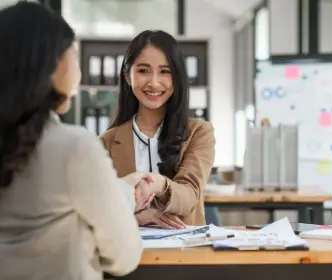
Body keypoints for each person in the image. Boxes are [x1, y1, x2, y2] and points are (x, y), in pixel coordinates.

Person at [0, 3, 153, 280]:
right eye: (73, 53)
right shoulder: (74, 147)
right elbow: (123, 256)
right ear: (51, 63)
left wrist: (122, 189)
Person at [100, 30, 216, 228]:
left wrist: (159, 184)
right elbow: (98, 208)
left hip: (185, 253)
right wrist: (136, 218)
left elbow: (189, 196)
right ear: (128, 76)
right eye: (143, 71)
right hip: (130, 253)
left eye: (165, 71)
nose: (154, 82)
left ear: (177, 77)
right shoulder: (106, 142)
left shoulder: (199, 132)